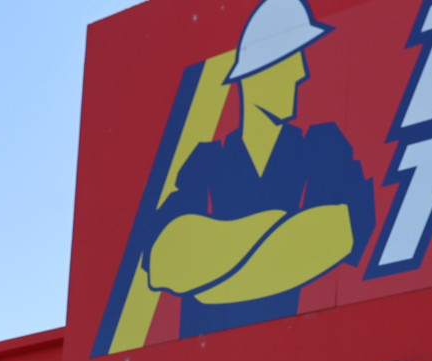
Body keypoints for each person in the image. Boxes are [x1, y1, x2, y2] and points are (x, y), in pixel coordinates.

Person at [142, 0, 376, 339]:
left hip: (293, 357)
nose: (302, 71)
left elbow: (343, 230)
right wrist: (276, 227)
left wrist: (210, 277)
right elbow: (162, 261)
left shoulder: (322, 146)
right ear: (253, 76)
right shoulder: (206, 160)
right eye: (289, 58)